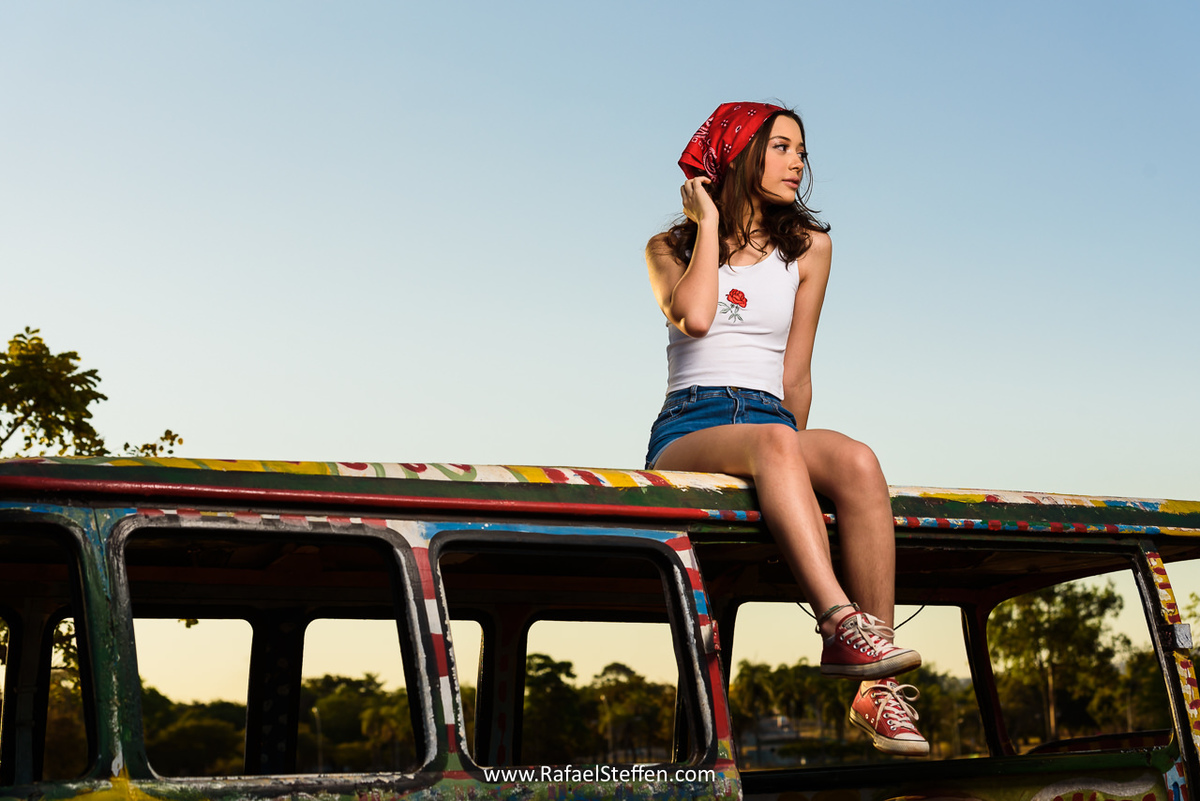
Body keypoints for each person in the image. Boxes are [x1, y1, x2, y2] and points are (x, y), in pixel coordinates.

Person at [644, 102, 927, 757]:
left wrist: (788, 469)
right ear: (740, 155)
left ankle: (875, 687)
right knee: (775, 443)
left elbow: (796, 371)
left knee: (856, 458)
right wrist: (708, 223)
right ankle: (837, 621)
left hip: (770, 421)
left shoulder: (811, 249)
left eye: (801, 149)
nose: (798, 160)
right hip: (692, 424)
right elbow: (695, 317)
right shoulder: (670, 247)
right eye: (781, 147)